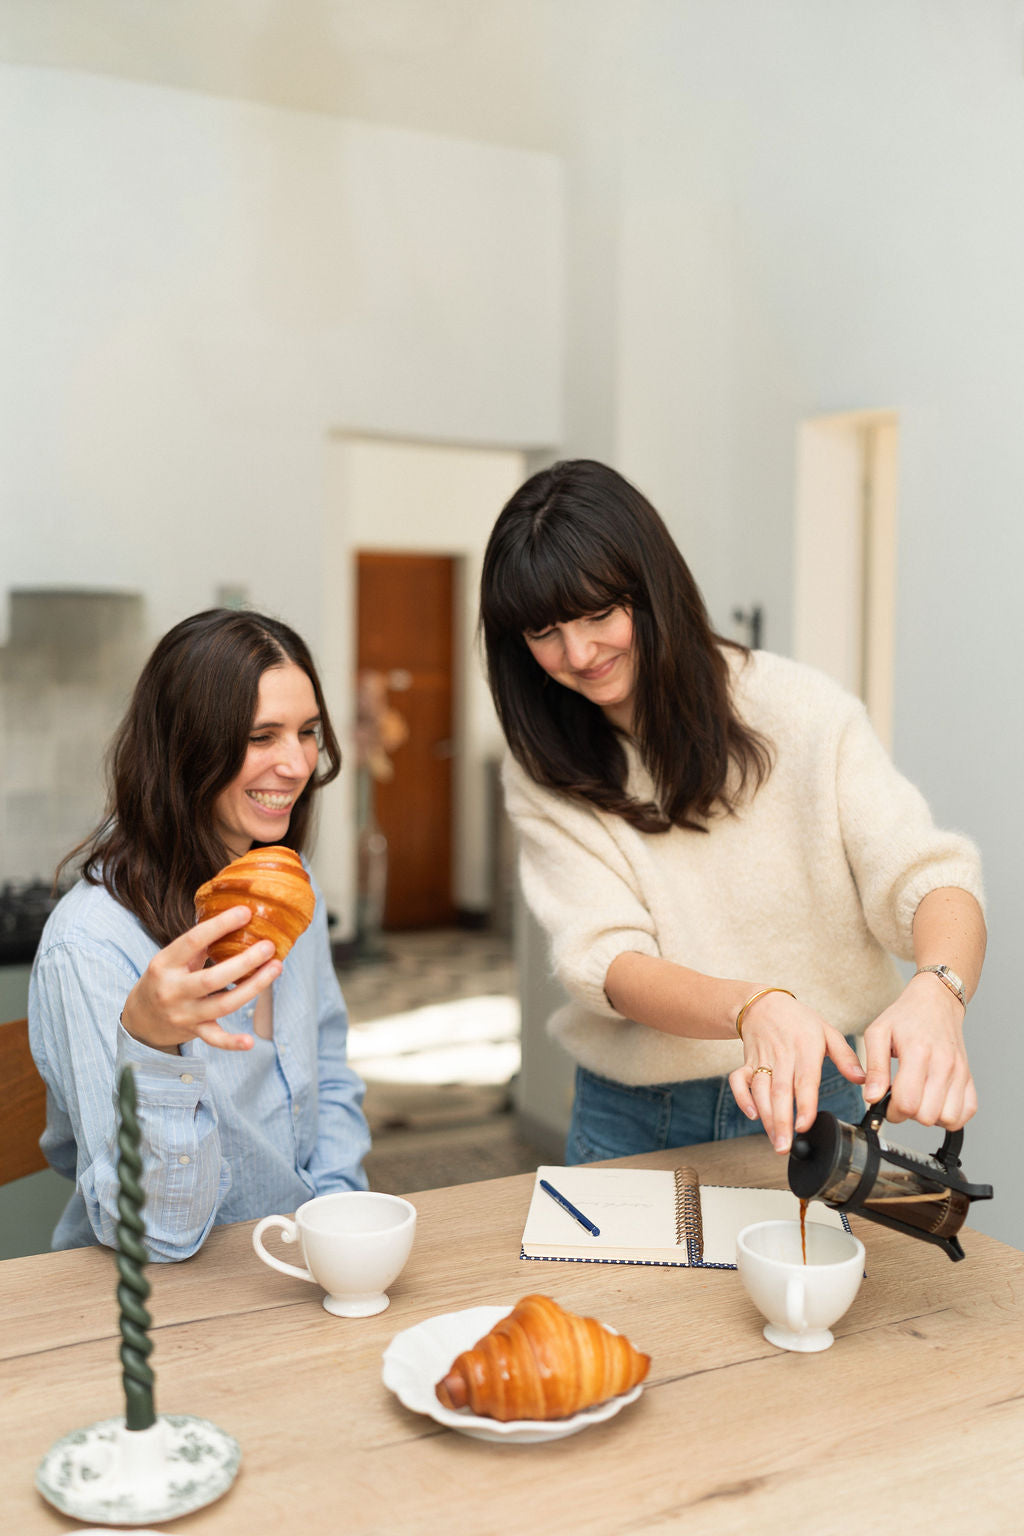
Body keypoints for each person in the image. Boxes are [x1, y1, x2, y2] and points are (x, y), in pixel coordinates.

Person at [479, 459, 986, 1165]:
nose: (579, 652)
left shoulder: (802, 710)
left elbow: (929, 878)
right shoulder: (543, 766)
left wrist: (940, 991)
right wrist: (754, 1008)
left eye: (599, 615)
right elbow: (608, 961)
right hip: (634, 1115)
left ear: (652, 590)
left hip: (818, 1097)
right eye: (545, 632)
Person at [29, 609, 371, 1259]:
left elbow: (328, 1068)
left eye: (307, 732)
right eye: (261, 736)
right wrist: (153, 1047)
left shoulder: (287, 887)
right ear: (184, 749)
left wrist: (337, 1219)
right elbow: (157, 1237)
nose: (297, 764)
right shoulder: (92, 946)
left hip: (300, 1261)